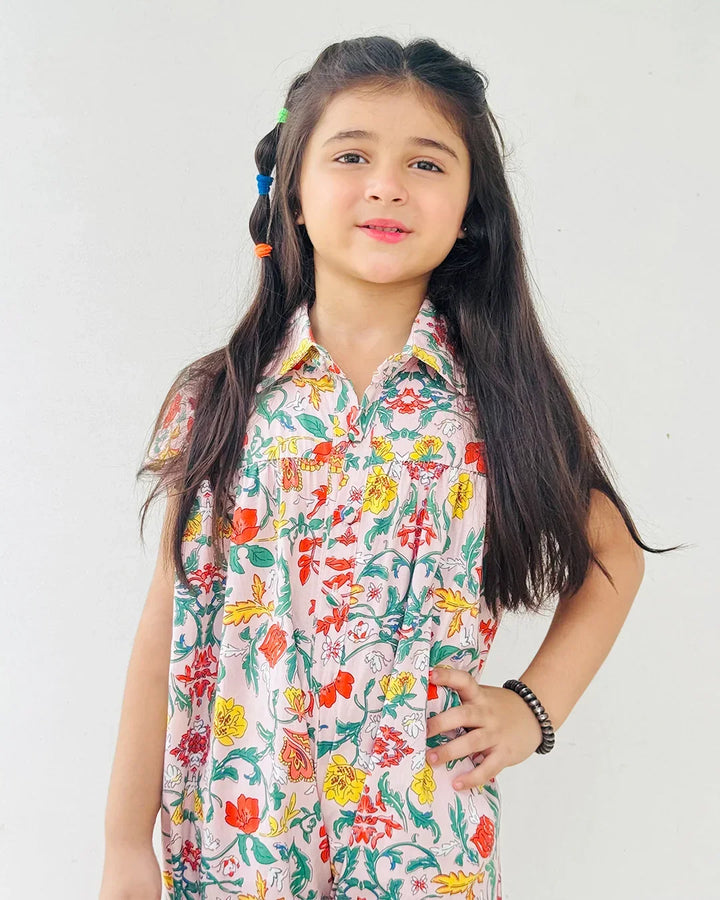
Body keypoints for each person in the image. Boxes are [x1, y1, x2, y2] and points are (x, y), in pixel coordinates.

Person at [99, 35, 682, 900]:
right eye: (352, 155)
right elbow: (164, 630)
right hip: (238, 832)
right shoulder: (219, 397)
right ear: (292, 191)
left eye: (427, 162)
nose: (386, 184)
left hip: (421, 841)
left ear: (469, 210)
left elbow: (612, 558)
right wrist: (123, 843)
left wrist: (532, 710)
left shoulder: (498, 401)